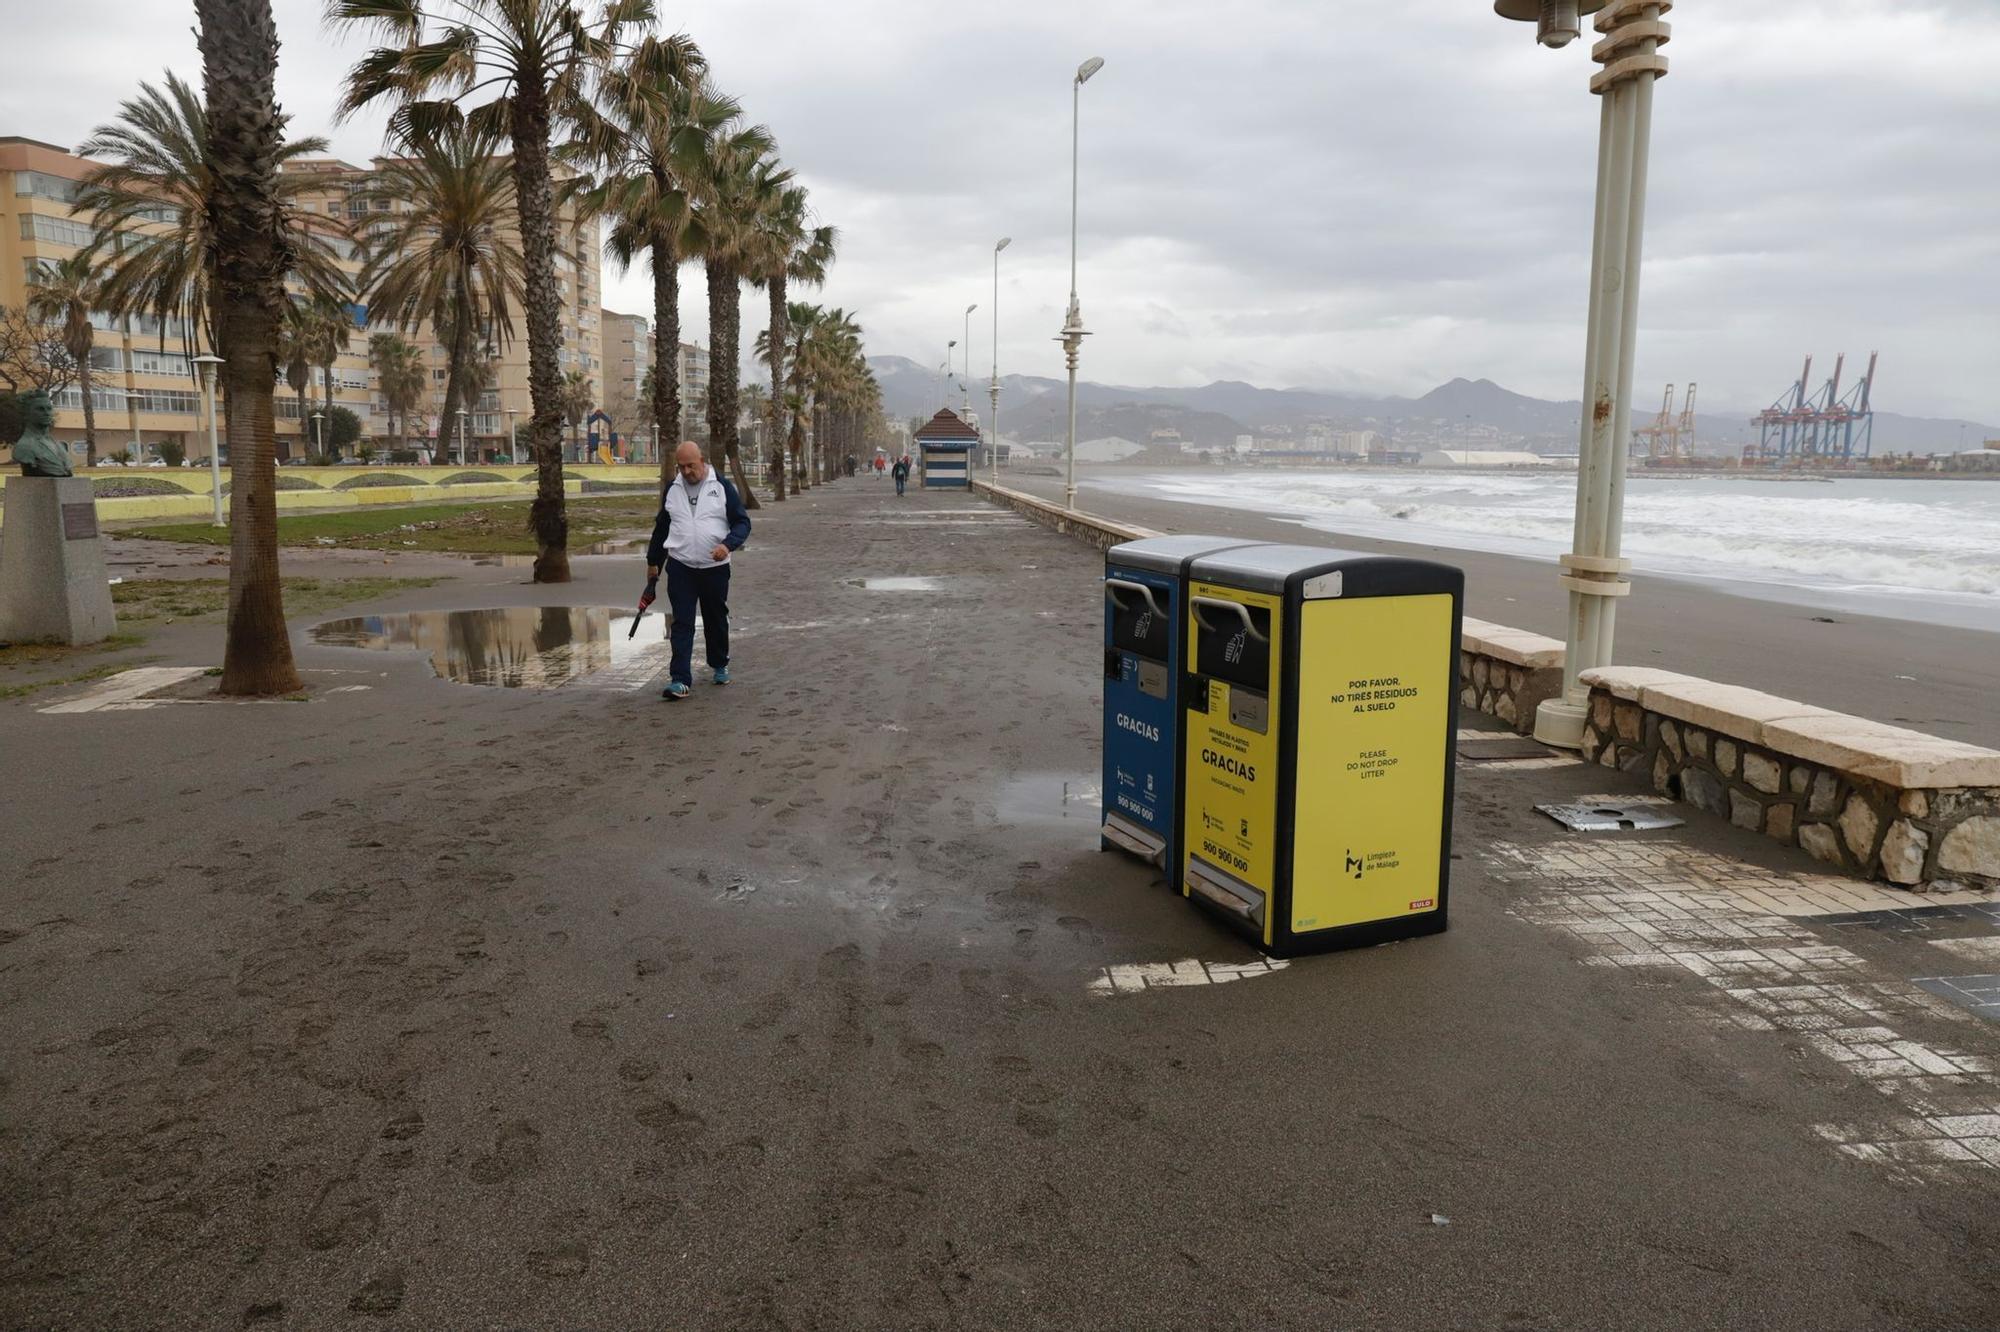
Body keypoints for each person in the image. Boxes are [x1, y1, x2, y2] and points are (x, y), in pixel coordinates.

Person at [641, 441, 751, 700]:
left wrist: (727, 545)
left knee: (715, 619)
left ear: (702, 461)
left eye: (690, 466)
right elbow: (662, 527)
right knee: (682, 622)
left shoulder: (721, 486)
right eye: (681, 467)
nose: (686, 471)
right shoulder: (673, 488)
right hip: (682, 566)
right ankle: (680, 679)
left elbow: (742, 522)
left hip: (715, 568)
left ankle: (719, 664)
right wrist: (653, 562)